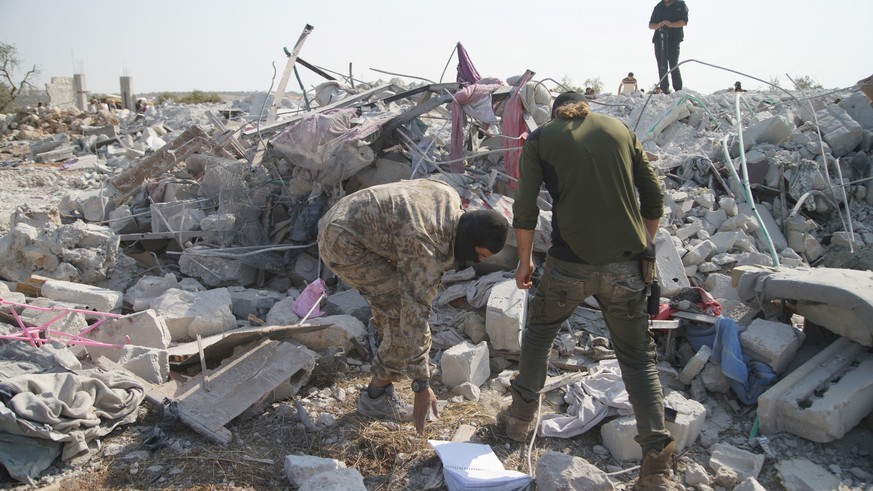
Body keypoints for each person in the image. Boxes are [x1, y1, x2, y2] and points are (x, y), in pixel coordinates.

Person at [498, 92, 679, 490]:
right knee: (637, 359)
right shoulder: (620, 130)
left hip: (569, 263)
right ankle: (656, 467)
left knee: (541, 334)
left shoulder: (542, 139)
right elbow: (654, 197)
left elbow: (524, 206)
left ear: (557, 111)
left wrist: (525, 261)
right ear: (586, 109)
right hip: (627, 268)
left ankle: (519, 418)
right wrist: (642, 245)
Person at [317, 178, 509, 435]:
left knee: (393, 303)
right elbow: (415, 313)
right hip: (343, 243)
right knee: (400, 316)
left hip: (342, 214)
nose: (477, 261)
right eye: (480, 255)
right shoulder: (426, 248)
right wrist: (421, 382)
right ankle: (376, 397)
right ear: (470, 240)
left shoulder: (448, 196)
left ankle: (385, 350)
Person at [649, 0, 689, 94]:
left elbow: (684, 21)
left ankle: (678, 90)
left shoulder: (680, 4)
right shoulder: (658, 7)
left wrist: (670, 24)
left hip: (673, 39)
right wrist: (659, 25)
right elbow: (651, 25)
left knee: (673, 65)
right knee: (662, 65)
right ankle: (664, 90)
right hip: (659, 39)